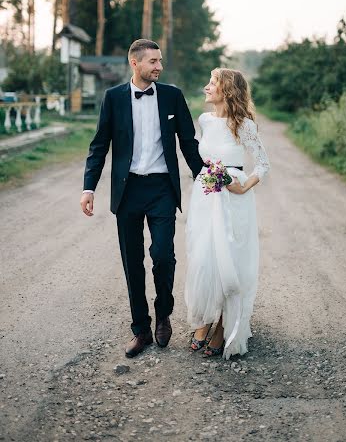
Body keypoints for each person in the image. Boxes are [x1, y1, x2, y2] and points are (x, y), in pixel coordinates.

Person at [80, 39, 204, 357]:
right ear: (135, 63)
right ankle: (141, 329)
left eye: (160, 60)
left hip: (162, 188)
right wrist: (88, 188)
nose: (159, 66)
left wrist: (206, 179)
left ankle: (163, 314)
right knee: (132, 262)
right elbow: (99, 146)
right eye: (152, 61)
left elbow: (189, 142)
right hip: (128, 191)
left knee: (163, 256)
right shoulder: (114, 98)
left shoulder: (173, 96)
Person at [185, 68, 270, 359]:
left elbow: (262, 165)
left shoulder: (244, 125)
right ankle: (204, 321)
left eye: (213, 83)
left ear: (227, 91)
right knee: (204, 257)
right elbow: (202, 157)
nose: (206, 87)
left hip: (233, 200)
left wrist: (243, 186)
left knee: (229, 262)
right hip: (205, 195)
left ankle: (223, 327)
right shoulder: (205, 121)